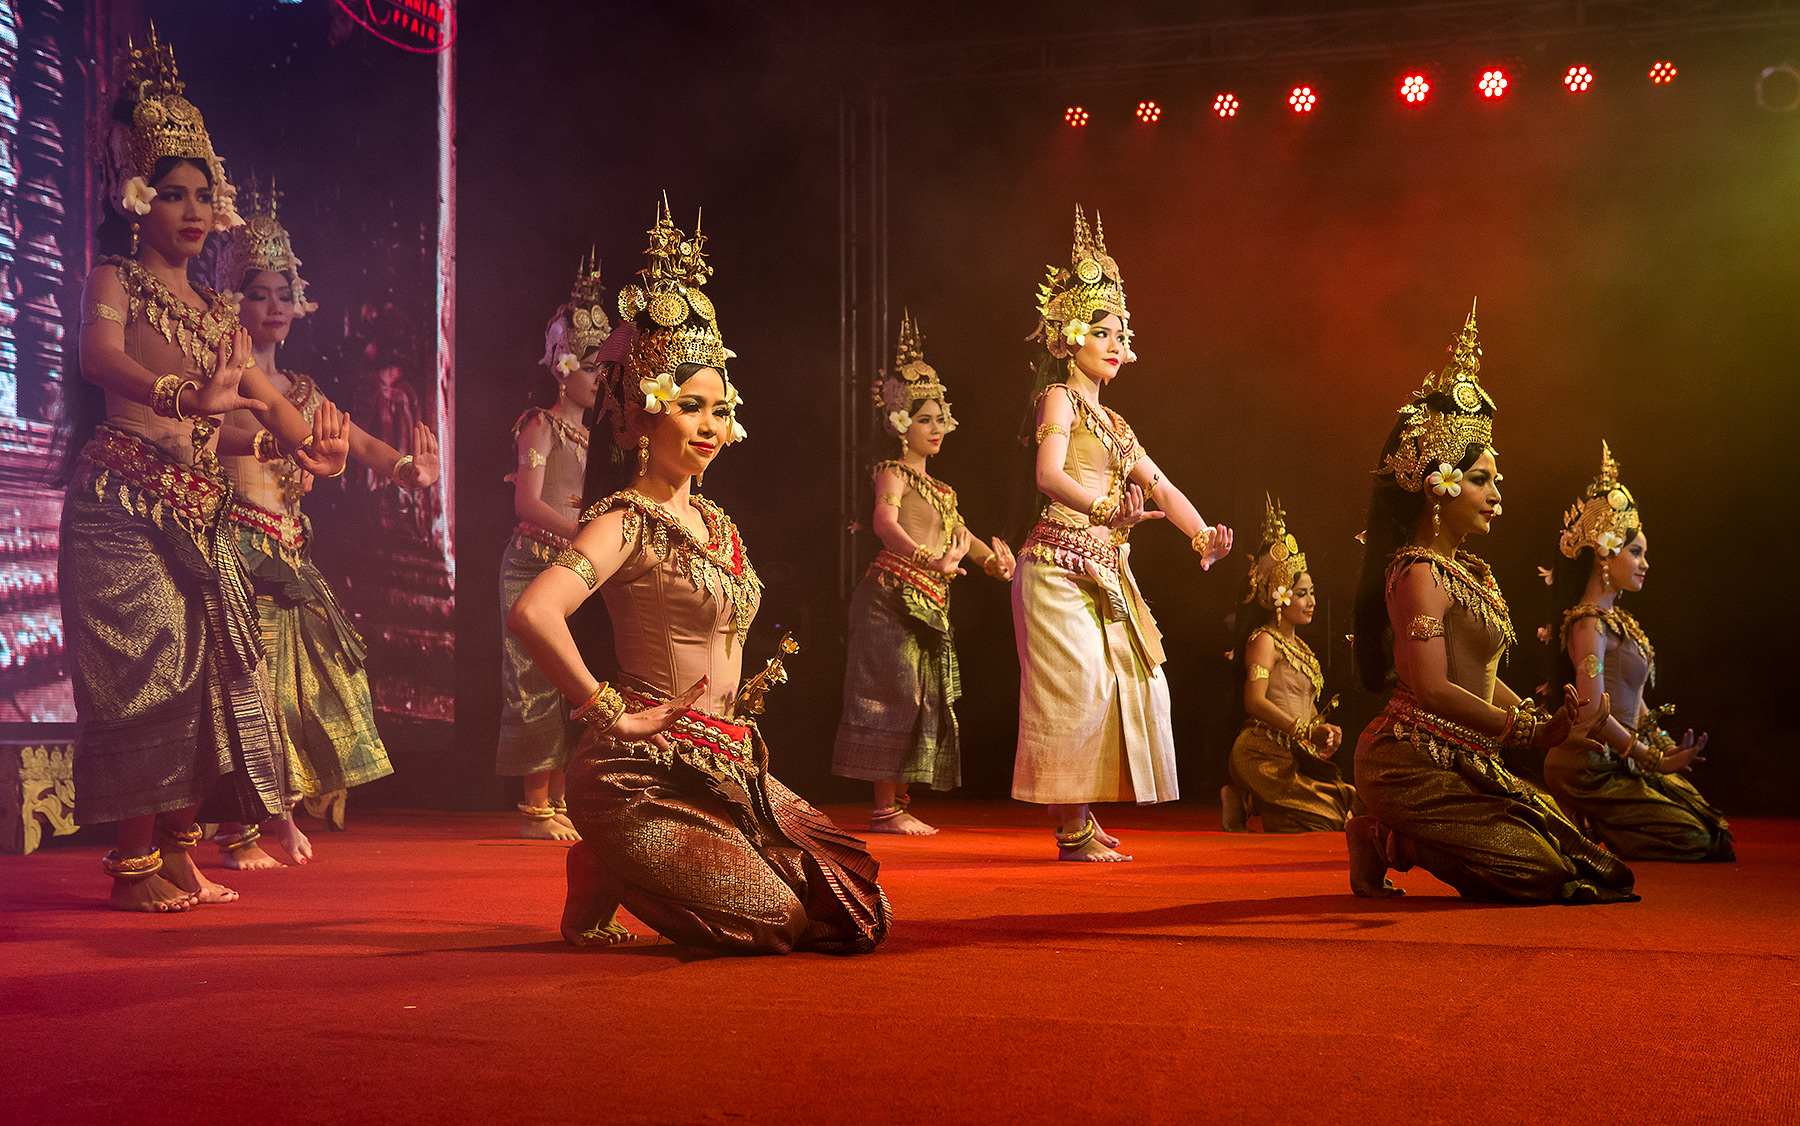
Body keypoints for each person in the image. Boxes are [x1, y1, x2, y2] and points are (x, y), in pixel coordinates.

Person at [507, 199, 888, 953]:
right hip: (637, 771)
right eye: (690, 407)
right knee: (775, 923)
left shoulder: (722, 527)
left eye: (720, 408)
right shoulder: (622, 520)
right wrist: (608, 709)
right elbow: (533, 613)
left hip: (725, 763)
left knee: (854, 911)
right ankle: (607, 861)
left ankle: (621, 865)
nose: (711, 426)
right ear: (643, 420)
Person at [61, 31, 347, 911]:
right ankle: (133, 866)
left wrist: (311, 444)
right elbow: (99, 359)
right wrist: (184, 397)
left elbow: (267, 407)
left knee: (211, 684)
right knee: (146, 683)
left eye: (203, 195)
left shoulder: (220, 316)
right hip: (119, 502)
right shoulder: (115, 279)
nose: (192, 210)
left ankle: (181, 849)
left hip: (197, 515)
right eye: (174, 194)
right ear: (138, 199)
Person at [1343, 302, 1635, 904]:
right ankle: (1384, 837)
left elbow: (1478, 678)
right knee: (1543, 875)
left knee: (1597, 867)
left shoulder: (1470, 573)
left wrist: (1537, 719)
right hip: (1407, 761)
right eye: (1480, 480)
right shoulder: (1417, 573)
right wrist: (1523, 731)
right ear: (1436, 485)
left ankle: (1403, 836)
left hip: (1465, 755)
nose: (1497, 495)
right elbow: (1431, 690)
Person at [208, 180, 438, 867]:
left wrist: (407, 470)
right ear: (231, 299)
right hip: (234, 547)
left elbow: (362, 444)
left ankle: (277, 818)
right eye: (258, 292)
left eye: (283, 292)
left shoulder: (303, 390)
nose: (274, 306)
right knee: (245, 693)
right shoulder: (219, 374)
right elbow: (209, 437)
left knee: (305, 689)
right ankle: (243, 829)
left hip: (290, 553)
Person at [1012, 207, 1233, 861]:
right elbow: (1049, 474)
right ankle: (1072, 827)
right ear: (1071, 334)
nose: (1114, 343)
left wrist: (1199, 537)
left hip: (1103, 565)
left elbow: (1161, 486)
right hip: (1056, 563)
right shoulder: (1059, 397)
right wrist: (1106, 505)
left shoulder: (1117, 424)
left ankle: (1078, 815)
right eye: (1102, 331)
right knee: (1075, 685)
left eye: (1120, 332)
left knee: (1118, 685)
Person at [831, 311, 1015, 835]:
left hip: (928, 599)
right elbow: (884, 521)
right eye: (923, 419)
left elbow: (965, 536)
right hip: (890, 596)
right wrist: (923, 559)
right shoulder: (890, 473)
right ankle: (884, 808)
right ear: (899, 424)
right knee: (894, 692)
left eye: (939, 419)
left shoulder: (944, 490)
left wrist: (995, 562)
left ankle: (898, 800)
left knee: (922, 696)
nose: (935, 429)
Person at [1540, 442, 1731, 860]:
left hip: (1620, 756)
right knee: (1698, 841)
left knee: (1713, 830)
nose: (1645, 563)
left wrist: (1663, 747)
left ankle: (1594, 828)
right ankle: (1593, 828)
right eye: (1636, 552)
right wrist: (1648, 759)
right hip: (1589, 764)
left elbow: (1633, 701)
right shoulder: (1588, 624)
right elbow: (1590, 712)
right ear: (1605, 554)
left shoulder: (1616, 622)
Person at [497, 253, 607, 840]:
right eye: (592, 368)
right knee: (533, 679)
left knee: (571, 679)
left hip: (570, 571)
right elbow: (528, 505)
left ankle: (562, 797)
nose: (599, 381)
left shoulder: (595, 436)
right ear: (564, 368)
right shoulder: (539, 424)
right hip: (531, 567)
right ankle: (535, 805)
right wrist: (586, 531)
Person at [1222, 497, 1356, 832]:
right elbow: (1254, 701)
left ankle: (1256, 803)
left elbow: (1306, 706)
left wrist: (1323, 732)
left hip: (1295, 754)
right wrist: (1307, 729)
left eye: (1312, 592)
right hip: (1261, 753)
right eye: (1302, 593)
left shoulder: (1303, 649)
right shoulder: (1264, 640)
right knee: (1330, 819)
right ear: (1280, 596)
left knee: (1347, 802)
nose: (1311, 601)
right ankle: (1249, 798)